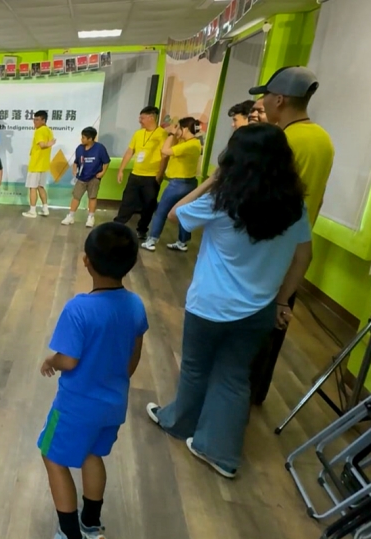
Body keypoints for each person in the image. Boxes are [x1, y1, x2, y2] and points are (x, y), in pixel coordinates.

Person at [145, 123, 313, 479]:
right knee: (235, 377)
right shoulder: (293, 206)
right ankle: (219, 452)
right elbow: (303, 256)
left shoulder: (222, 200)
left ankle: (178, 422)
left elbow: (175, 214)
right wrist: (282, 302)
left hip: (210, 305)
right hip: (259, 309)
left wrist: (212, 179)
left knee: (195, 368)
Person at [30, 222, 147, 539]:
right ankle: (92, 526)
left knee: (52, 456)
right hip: (114, 404)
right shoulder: (135, 305)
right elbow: (133, 357)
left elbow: (69, 359)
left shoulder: (79, 309)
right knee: (93, 455)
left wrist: (51, 360)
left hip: (76, 406)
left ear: (86, 261)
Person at [247, 66, 335, 404]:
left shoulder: (281, 142)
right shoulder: (323, 140)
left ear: (280, 99)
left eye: (267, 97)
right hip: (296, 248)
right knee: (275, 326)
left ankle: (236, 396)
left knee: (251, 329)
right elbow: (318, 198)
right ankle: (255, 392)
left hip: (268, 250)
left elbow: (259, 197)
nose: (264, 104)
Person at [142, 117, 203, 253]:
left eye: (179, 128)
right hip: (190, 183)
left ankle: (152, 240)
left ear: (185, 129)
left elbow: (164, 151)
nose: (177, 131)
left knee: (161, 211)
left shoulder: (188, 145)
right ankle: (182, 242)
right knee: (183, 213)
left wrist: (171, 134)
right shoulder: (194, 143)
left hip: (178, 184)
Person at [115, 106, 168, 239]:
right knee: (127, 201)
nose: (140, 120)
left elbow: (164, 156)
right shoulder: (138, 134)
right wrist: (121, 169)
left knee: (148, 205)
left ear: (151, 117)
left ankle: (142, 229)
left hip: (151, 177)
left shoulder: (162, 134)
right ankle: (117, 226)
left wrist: (160, 174)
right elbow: (130, 151)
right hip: (135, 174)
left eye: (142, 118)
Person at [62, 127, 110, 228]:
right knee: (76, 196)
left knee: (92, 197)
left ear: (90, 139)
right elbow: (76, 161)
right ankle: (71, 216)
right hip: (81, 177)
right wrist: (74, 169)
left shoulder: (100, 148)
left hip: (94, 177)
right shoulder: (79, 148)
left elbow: (106, 161)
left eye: (84, 137)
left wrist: (103, 172)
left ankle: (91, 217)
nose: (81, 139)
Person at [23, 110, 56, 218]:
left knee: (32, 187)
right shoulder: (49, 130)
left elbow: (42, 145)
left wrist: (48, 144)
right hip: (44, 165)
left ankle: (32, 211)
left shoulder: (39, 131)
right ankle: (45, 209)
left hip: (36, 164)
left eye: (37, 119)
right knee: (40, 187)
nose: (35, 122)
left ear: (43, 120)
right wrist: (50, 143)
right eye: (34, 119)